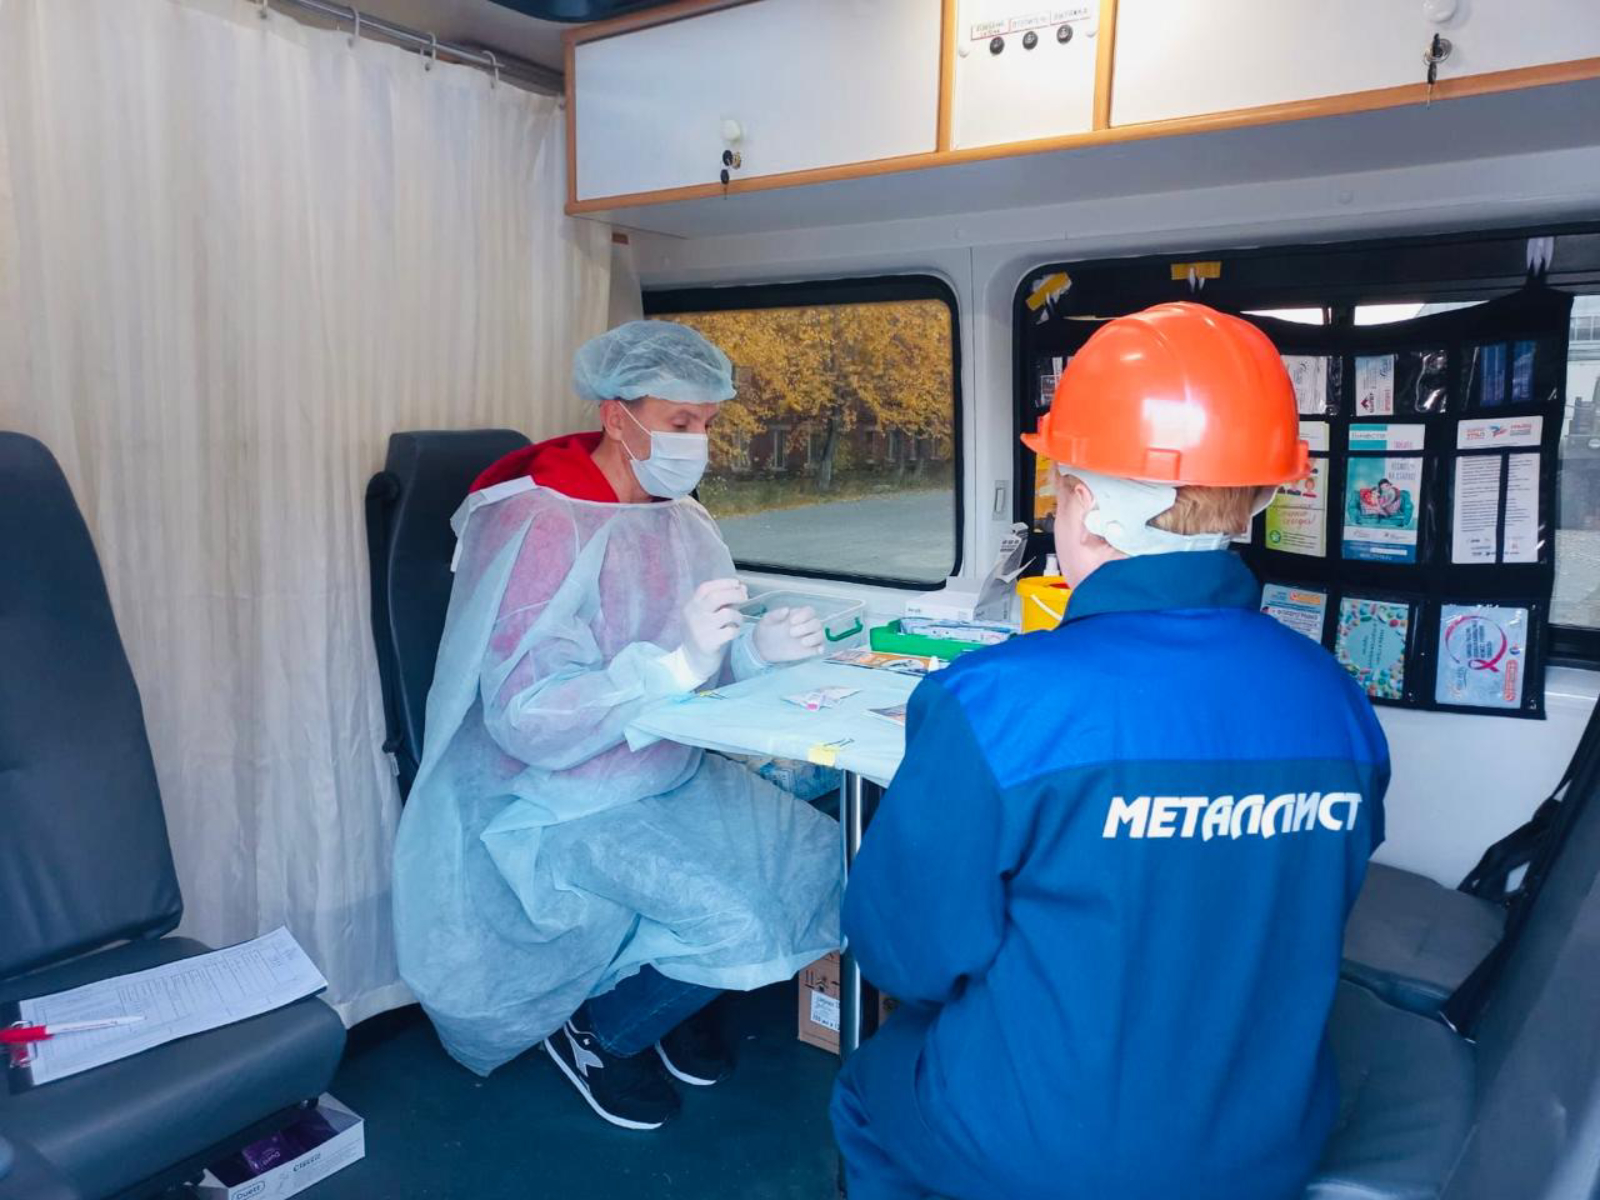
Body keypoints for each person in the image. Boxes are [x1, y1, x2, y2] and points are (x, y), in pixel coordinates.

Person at [830, 303, 1390, 1200]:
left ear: (1087, 506)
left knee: (868, 1089)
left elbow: (905, 955)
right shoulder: (1335, 696)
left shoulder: (996, 704)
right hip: (1265, 1146)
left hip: (1045, 1152)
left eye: (1060, 488)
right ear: (1255, 498)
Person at [393, 321, 841, 1131]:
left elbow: (704, 661)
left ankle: (672, 995)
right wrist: (669, 666)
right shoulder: (540, 522)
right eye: (679, 422)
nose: (696, 442)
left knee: (822, 862)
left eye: (707, 423)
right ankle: (603, 1030)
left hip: (669, 769)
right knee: (738, 918)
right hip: (561, 795)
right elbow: (527, 717)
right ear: (616, 415)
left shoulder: (683, 520)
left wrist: (754, 652)